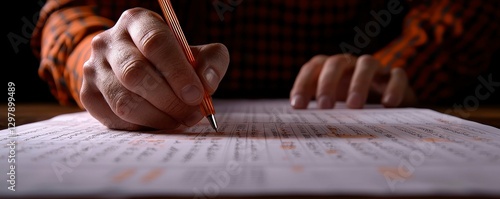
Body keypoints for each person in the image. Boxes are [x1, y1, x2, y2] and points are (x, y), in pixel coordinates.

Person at [31, 0, 500, 130]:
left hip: (346, 102)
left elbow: (466, 9)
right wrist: (99, 61)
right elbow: (65, 13)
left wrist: (395, 71)